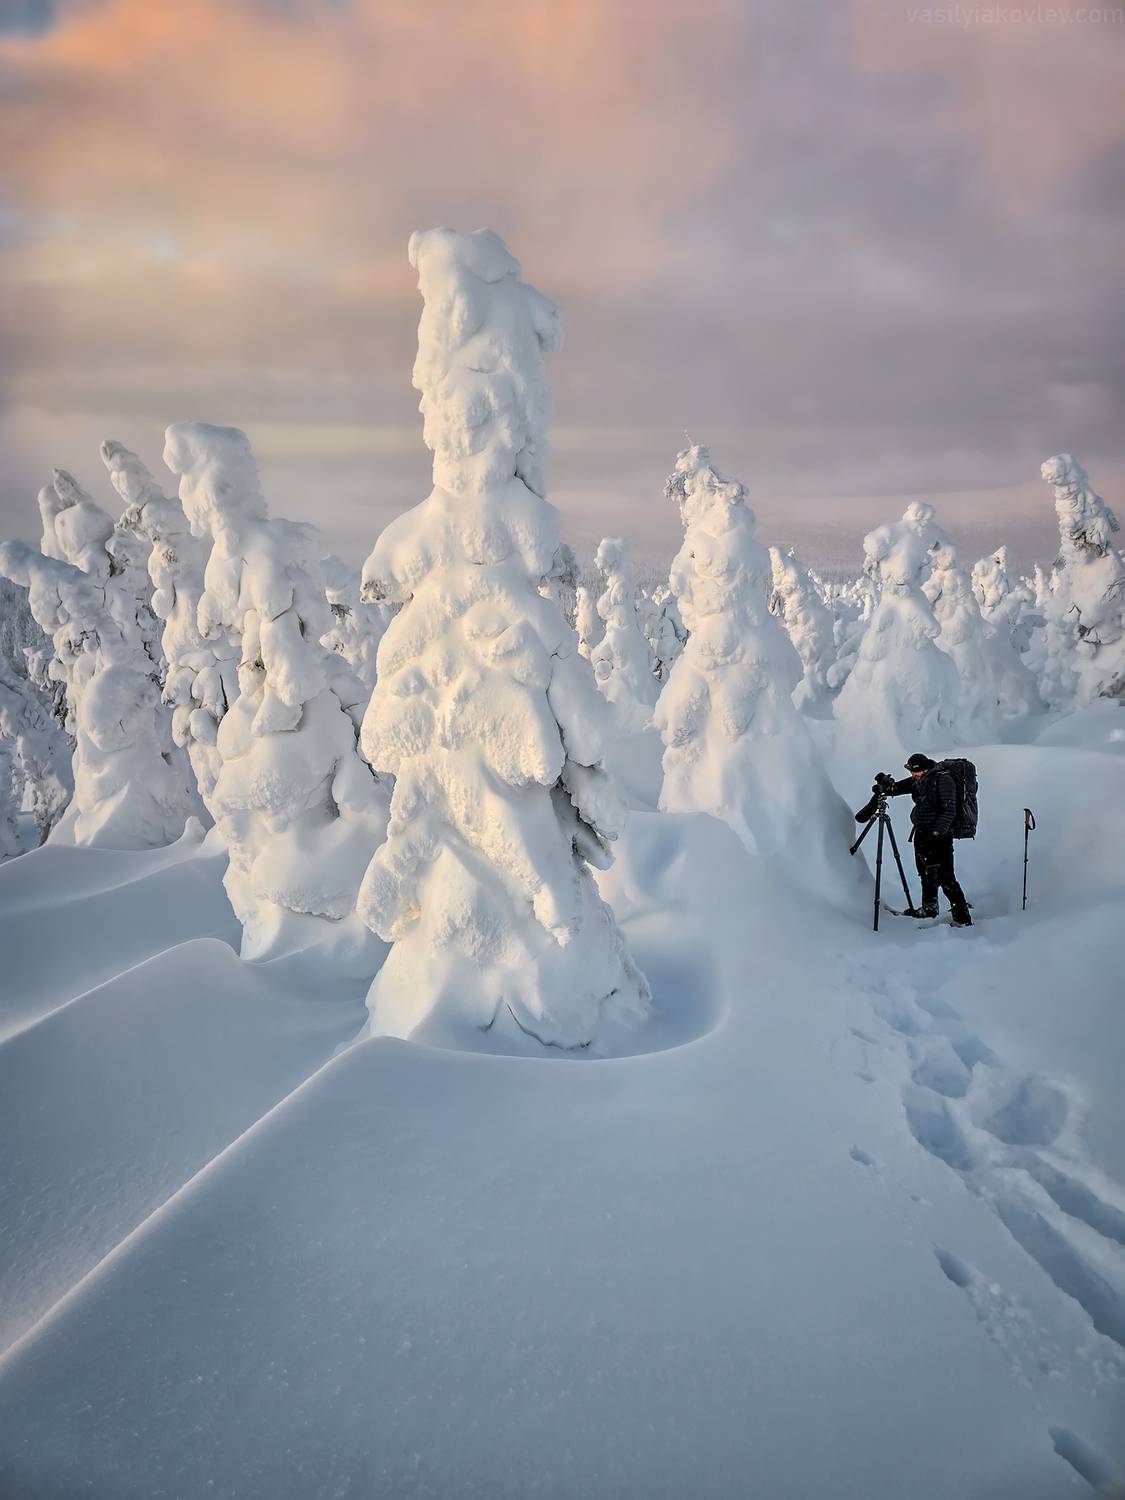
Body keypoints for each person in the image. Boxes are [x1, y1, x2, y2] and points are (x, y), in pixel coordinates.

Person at [854, 753, 972, 926]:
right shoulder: (919, 780)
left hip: (940, 836)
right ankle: (929, 908)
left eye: (915, 773)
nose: (913, 776)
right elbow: (898, 788)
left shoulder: (943, 780)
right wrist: (886, 787)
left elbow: (949, 810)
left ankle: (962, 918)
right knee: (925, 872)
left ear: (925, 769)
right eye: (911, 773)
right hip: (922, 832)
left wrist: (937, 833)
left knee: (945, 876)